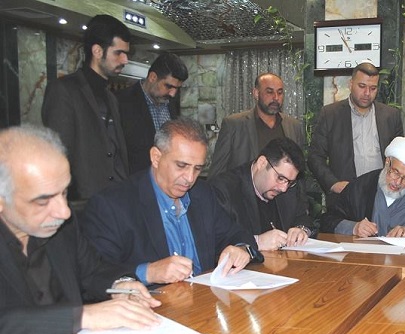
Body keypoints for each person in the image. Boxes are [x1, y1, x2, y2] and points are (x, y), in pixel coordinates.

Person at [0, 125, 160, 334]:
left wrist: (120, 285)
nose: (64, 212)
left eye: (64, 192)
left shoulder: (62, 226)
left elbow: (93, 270)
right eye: (43, 201)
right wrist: (81, 316)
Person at [81, 118, 262, 286]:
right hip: (152, 304)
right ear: (156, 157)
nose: (189, 178)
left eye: (197, 169)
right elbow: (94, 274)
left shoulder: (202, 194)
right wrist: (148, 272)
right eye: (181, 166)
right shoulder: (113, 205)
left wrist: (241, 249)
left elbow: (237, 233)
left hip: (203, 300)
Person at [42, 14, 131, 203]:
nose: (125, 60)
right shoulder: (64, 90)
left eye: (126, 54)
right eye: (118, 53)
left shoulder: (111, 98)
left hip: (117, 199)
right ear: (97, 51)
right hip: (83, 202)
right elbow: (58, 152)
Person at [308, 62, 403, 205]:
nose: (367, 93)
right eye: (362, 86)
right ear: (351, 84)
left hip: (382, 196)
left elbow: (400, 158)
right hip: (345, 197)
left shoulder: (390, 116)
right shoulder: (330, 114)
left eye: (373, 88)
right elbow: (315, 156)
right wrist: (333, 184)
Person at [208, 137, 313, 251]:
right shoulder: (224, 190)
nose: (283, 188)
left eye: (290, 182)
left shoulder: (289, 187)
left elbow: (303, 218)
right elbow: (215, 241)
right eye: (280, 178)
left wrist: (301, 230)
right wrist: (257, 242)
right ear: (262, 163)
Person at [320, 137, 405, 238]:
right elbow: (327, 221)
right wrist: (354, 227)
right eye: (395, 172)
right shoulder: (360, 187)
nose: (398, 182)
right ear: (387, 162)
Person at [209, 72, 304, 177]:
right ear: (256, 93)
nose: (276, 97)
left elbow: (299, 168)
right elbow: (217, 172)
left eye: (280, 93)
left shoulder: (293, 126)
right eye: (269, 92)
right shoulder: (233, 125)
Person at [116, 52, 188, 173]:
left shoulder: (171, 103)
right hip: (135, 178)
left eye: (177, 88)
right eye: (169, 86)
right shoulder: (121, 102)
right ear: (152, 77)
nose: (173, 94)